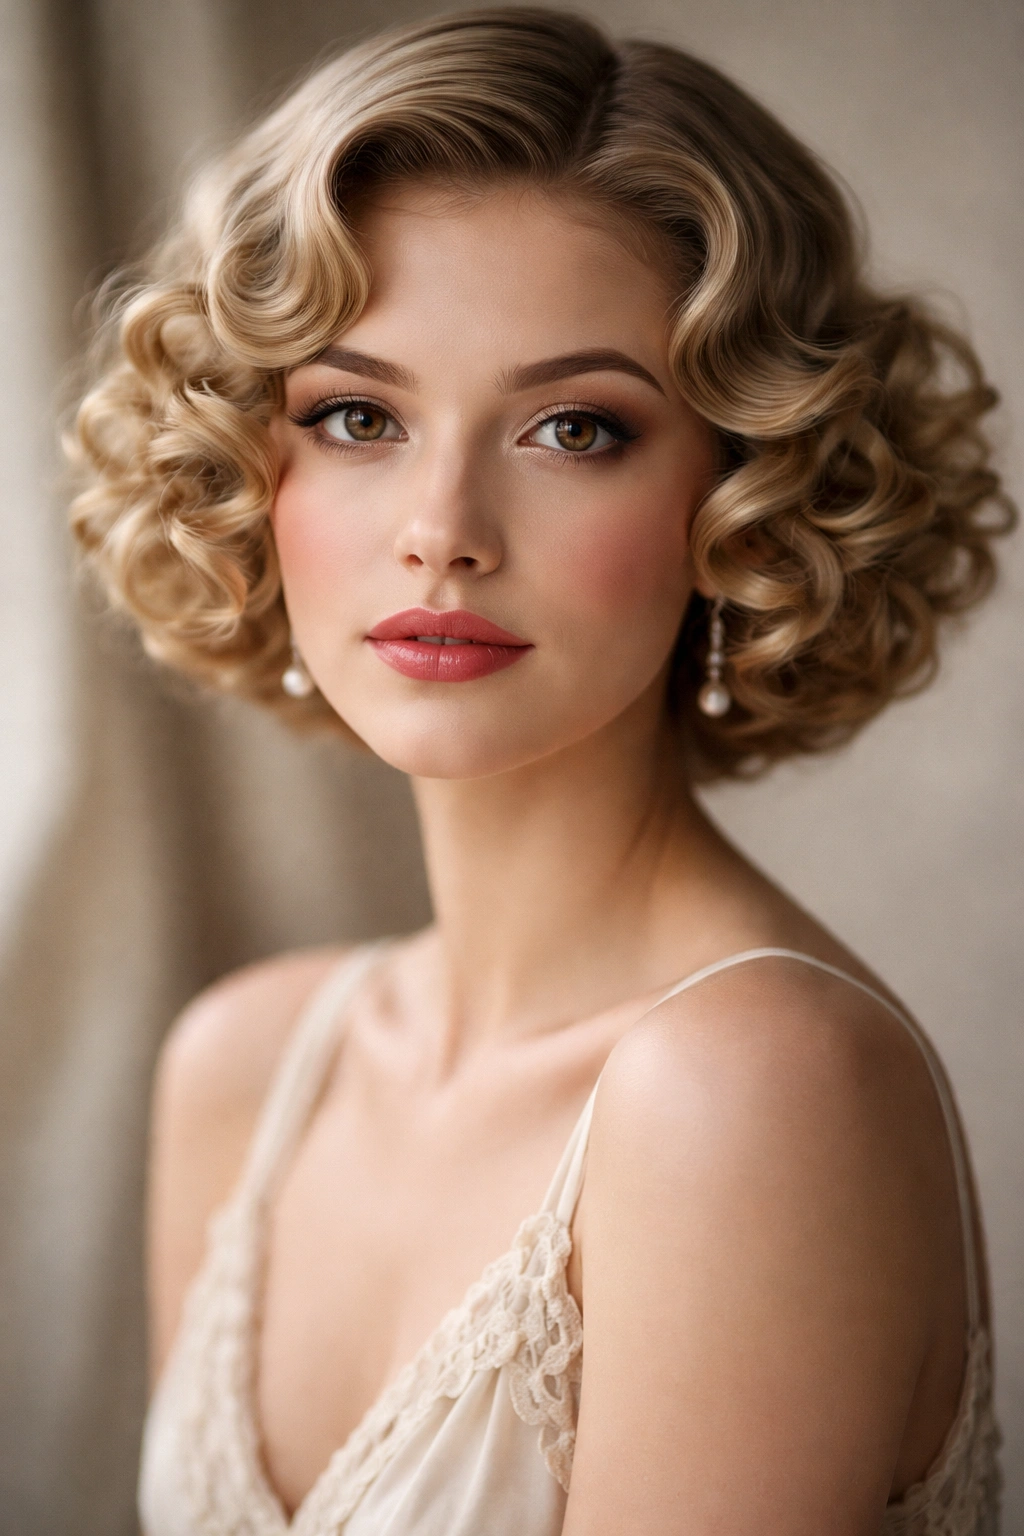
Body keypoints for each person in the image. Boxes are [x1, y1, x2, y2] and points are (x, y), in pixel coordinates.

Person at [68, 8, 1013, 1533]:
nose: (444, 525)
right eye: (358, 416)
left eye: (576, 428)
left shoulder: (758, 1092)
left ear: (748, 501)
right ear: (251, 472)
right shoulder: (245, 1069)